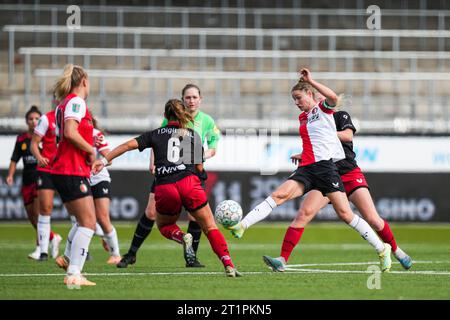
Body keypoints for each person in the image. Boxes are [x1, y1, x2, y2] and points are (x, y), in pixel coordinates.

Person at [227, 68, 392, 272]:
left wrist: (311, 80)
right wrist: (302, 155)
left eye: (298, 97)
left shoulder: (322, 109)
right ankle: (242, 226)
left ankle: (381, 248)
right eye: (293, 99)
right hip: (307, 168)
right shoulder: (303, 118)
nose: (296, 102)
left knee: (345, 214)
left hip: (326, 169)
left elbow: (333, 97)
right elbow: (315, 142)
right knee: (279, 195)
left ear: (310, 94)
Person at [92, 99, 241, 277]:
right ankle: (228, 264)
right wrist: (198, 177)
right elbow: (199, 167)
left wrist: (103, 160)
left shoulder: (155, 134)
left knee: (164, 225)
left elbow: (127, 145)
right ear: (182, 115)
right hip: (189, 183)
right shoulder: (191, 134)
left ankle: (181, 237)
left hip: (165, 186)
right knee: (210, 227)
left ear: (165, 116)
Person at [262, 104, 413, 272]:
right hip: (326, 175)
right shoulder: (310, 123)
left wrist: (325, 134)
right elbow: (316, 151)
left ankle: (397, 252)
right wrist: (303, 155)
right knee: (304, 213)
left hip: (348, 173)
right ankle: (282, 259)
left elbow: (348, 136)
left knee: (373, 219)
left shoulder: (340, 116)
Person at [117, 84, 220, 268]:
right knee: (150, 212)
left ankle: (191, 257)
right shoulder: (172, 118)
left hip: (190, 172)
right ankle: (131, 254)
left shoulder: (208, 121)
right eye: (188, 98)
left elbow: (213, 147)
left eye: (195, 97)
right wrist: (153, 161)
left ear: (200, 99)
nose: (191, 101)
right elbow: (157, 140)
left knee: (194, 217)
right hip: (166, 172)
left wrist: (198, 156)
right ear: (182, 100)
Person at [51, 64, 97, 287]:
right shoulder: (77, 102)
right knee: (88, 222)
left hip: (65, 169)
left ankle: (69, 259)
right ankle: (74, 273)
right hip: (70, 169)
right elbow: (70, 132)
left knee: (82, 221)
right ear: (84, 82)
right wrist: (90, 149)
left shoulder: (63, 104)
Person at [7, 106, 60, 260]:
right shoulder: (22, 140)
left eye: (37, 118)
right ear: (27, 121)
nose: (34, 121)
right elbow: (14, 159)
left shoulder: (45, 137)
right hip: (26, 180)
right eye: (31, 119)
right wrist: (10, 175)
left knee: (39, 213)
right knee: (32, 217)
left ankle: (40, 248)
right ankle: (52, 237)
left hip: (40, 177)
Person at [31, 96, 63, 261]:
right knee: (45, 207)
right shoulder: (46, 119)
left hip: (66, 168)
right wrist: (39, 157)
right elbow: (34, 143)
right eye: (57, 98)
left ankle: (80, 250)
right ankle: (43, 251)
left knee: (77, 210)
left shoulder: (72, 118)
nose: (59, 100)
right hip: (47, 169)